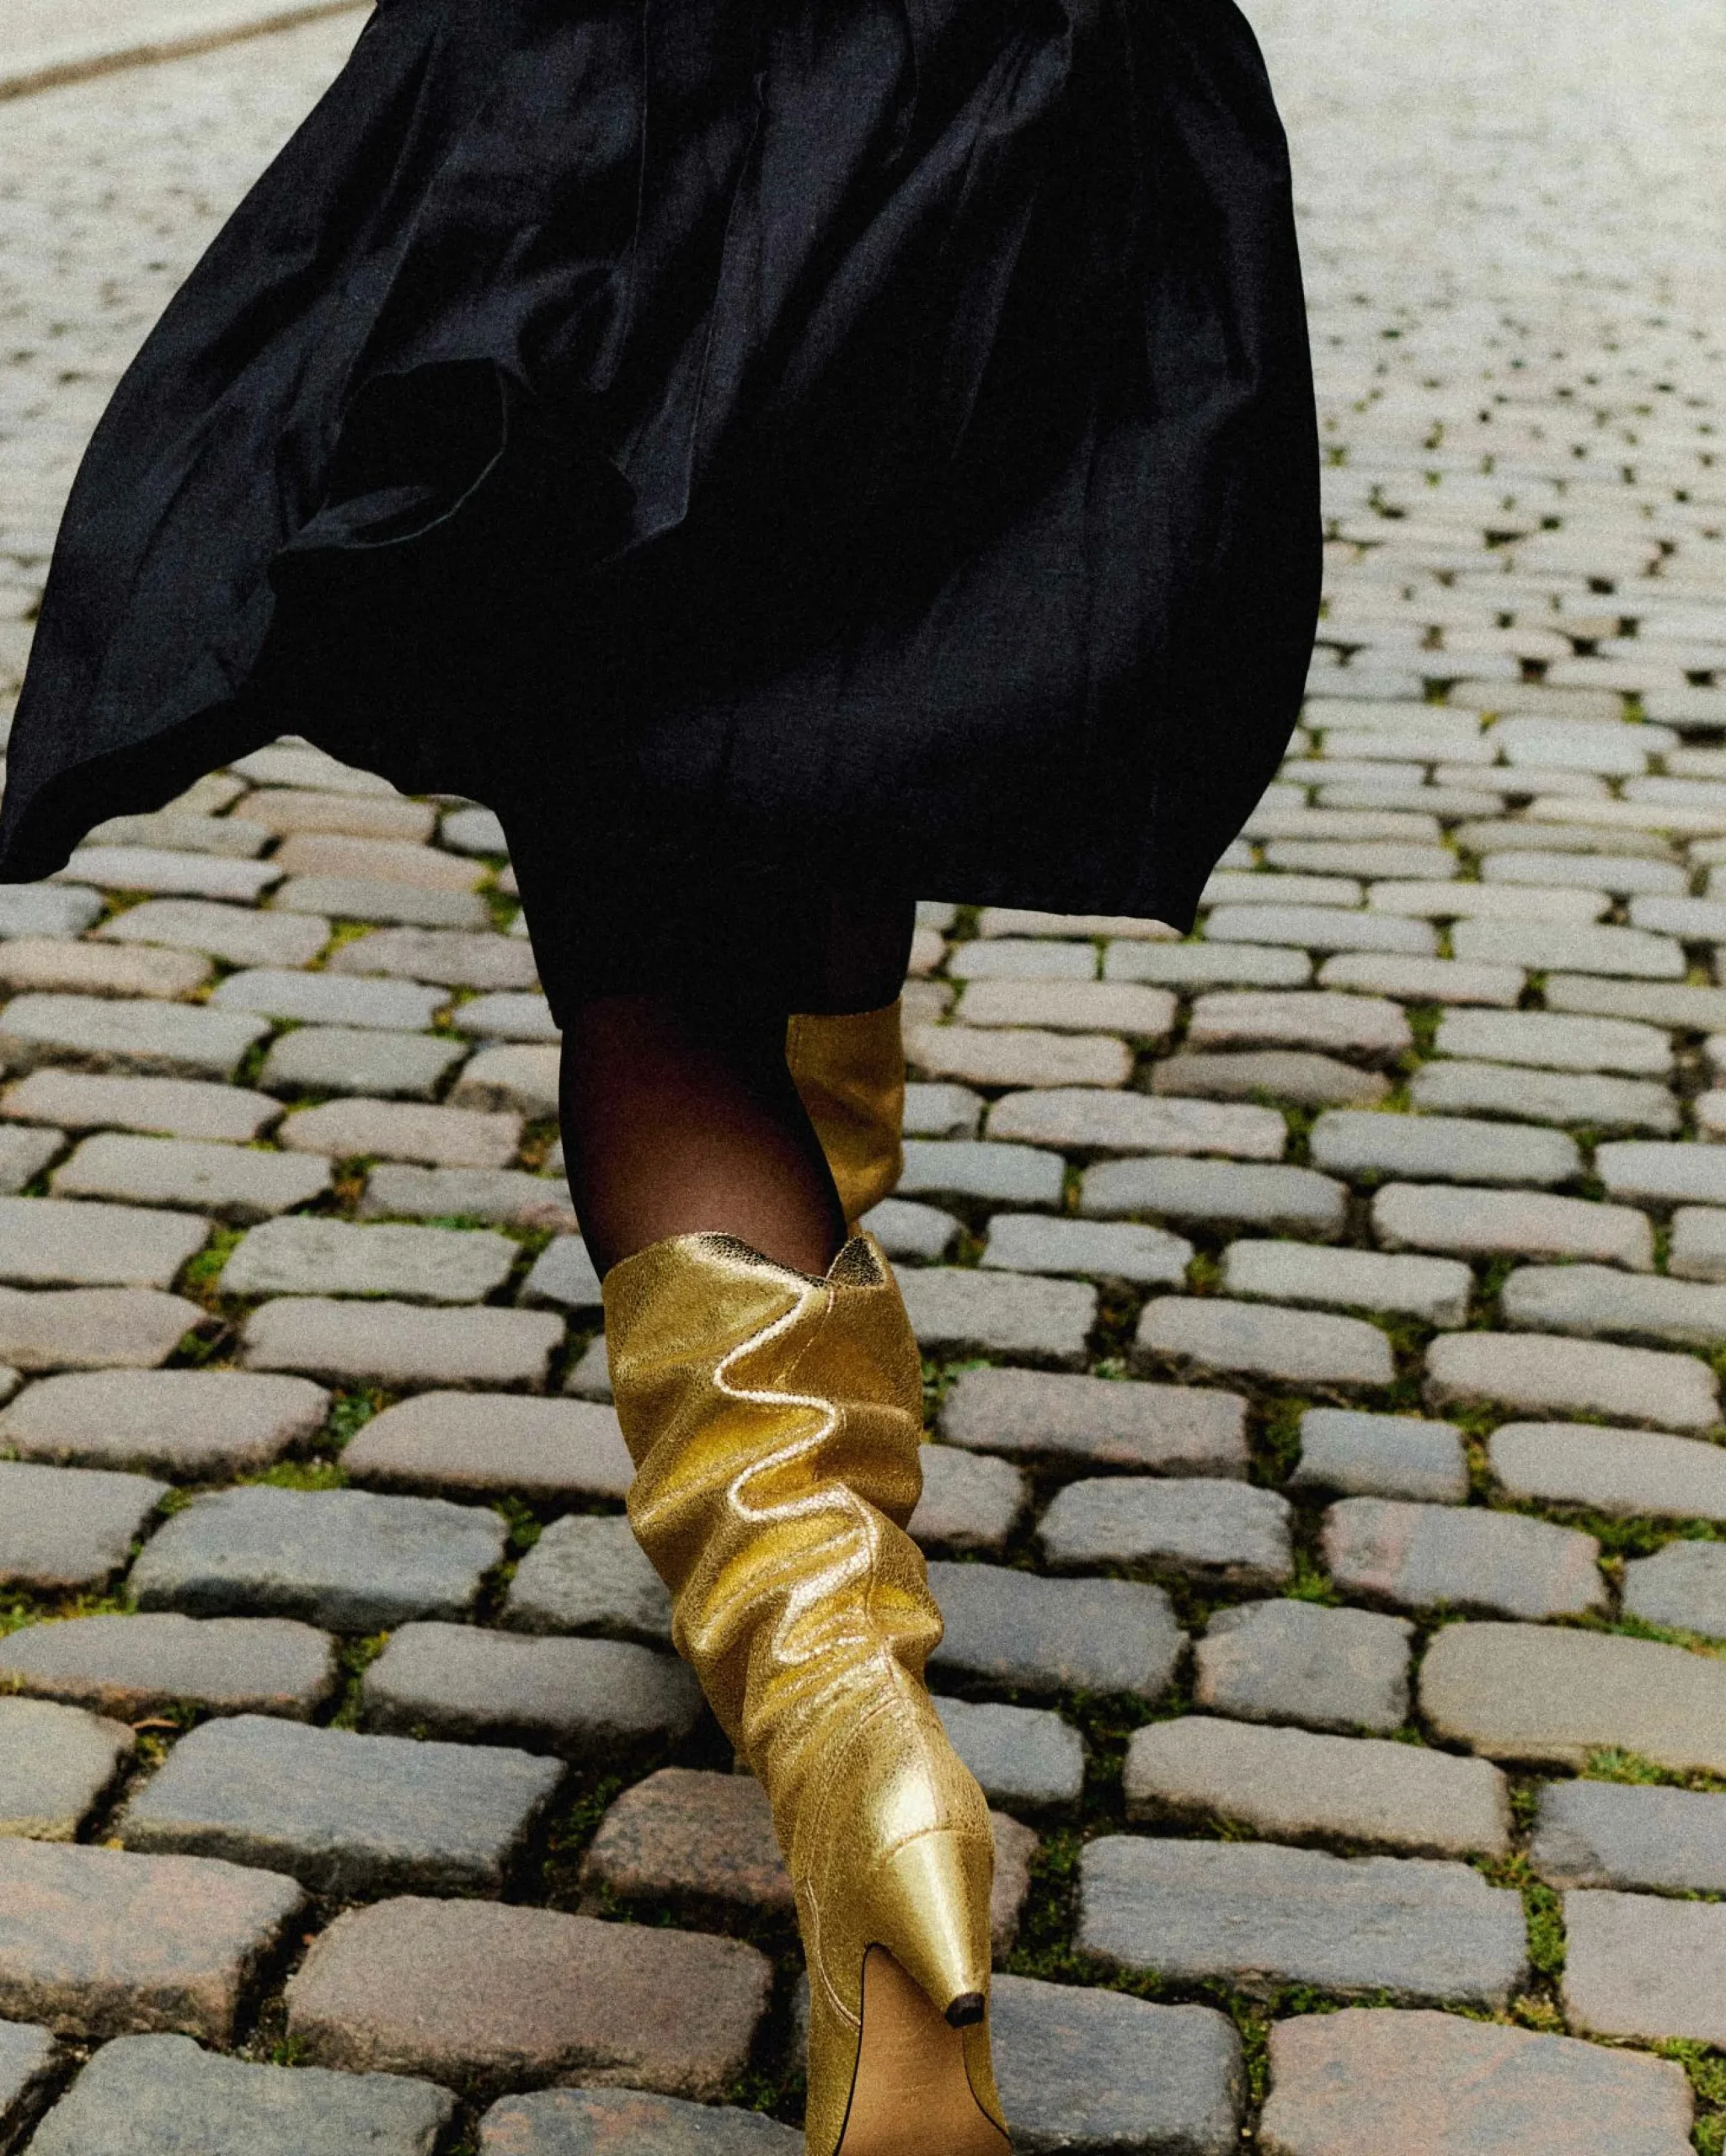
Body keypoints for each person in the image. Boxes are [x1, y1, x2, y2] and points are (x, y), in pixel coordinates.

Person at [0, 1, 1319, 2145]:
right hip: (1024, 107)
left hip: (644, 102)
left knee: (660, 981)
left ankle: (845, 1714)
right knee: (839, 727)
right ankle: (815, 1568)